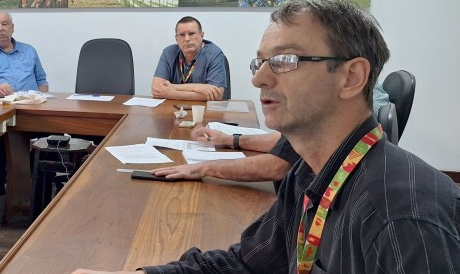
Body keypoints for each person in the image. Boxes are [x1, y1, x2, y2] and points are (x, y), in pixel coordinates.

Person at [39, 0, 460, 274]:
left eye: (285, 61)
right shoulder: (310, 174)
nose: (259, 78)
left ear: (351, 77)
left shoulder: (400, 213)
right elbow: (247, 267)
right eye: (261, 62)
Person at [152, 83, 391, 182]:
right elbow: (284, 143)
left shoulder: (337, 110)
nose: (258, 79)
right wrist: (231, 139)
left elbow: (278, 165)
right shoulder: (346, 97)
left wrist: (203, 168)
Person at [0, 12, 49, 195]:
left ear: (12, 28)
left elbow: (42, 80)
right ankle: (0, 174)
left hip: (31, 108)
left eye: (5, 24)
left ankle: (37, 173)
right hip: (1, 109)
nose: (1, 29)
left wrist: (40, 96)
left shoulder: (29, 51)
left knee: (52, 129)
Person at [152, 16, 227, 101]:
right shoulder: (169, 53)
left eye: (191, 34)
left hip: (202, 108)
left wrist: (173, 92)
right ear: (176, 39)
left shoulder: (214, 54)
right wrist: (200, 87)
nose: (187, 39)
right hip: (172, 108)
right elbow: (156, 89)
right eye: (182, 35)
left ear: (201, 36)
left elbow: (217, 94)